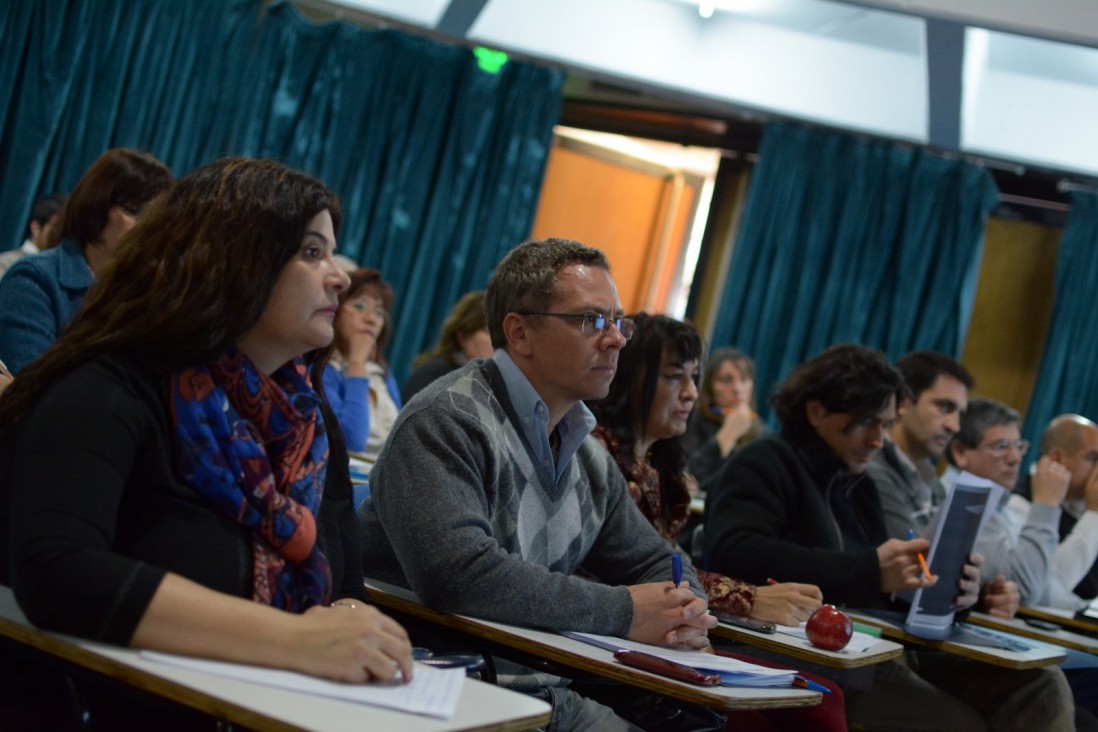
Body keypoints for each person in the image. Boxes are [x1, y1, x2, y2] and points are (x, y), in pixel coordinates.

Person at [0, 158, 413, 724]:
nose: (340, 276)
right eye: (312, 252)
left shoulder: (309, 423)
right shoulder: (110, 387)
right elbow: (58, 572)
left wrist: (355, 633)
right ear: (235, 261)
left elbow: (343, 585)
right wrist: (294, 640)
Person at [361, 238, 717, 730]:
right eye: (592, 321)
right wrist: (624, 610)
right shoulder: (446, 419)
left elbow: (656, 559)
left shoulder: (588, 452)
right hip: (444, 690)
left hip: (545, 690)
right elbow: (459, 574)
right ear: (520, 332)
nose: (615, 339)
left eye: (619, 322)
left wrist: (687, 608)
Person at [704, 343, 1074, 731]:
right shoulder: (764, 462)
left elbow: (884, 588)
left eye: (885, 424)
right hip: (798, 649)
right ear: (817, 412)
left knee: (1042, 686)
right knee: (957, 724)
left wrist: (959, 594)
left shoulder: (857, 484)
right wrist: (872, 571)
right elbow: (736, 552)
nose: (879, 440)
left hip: (872, 644)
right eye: (869, 423)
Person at [589, 312, 846, 732]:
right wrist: (747, 599)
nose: (691, 393)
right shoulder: (597, 454)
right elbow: (634, 576)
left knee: (823, 699)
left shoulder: (655, 467)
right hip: (618, 639)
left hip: (671, 634)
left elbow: (669, 566)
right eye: (675, 377)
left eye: (694, 377)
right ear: (626, 378)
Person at [0, 149, 173, 374]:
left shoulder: (143, 295)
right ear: (98, 205)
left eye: (158, 220)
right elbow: (28, 388)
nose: (151, 230)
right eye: (139, 213)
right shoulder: (35, 278)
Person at [947, 398, 1069, 605]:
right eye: (1001, 446)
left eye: (1019, 446)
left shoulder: (1004, 507)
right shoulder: (957, 502)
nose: (1015, 458)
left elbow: (1047, 586)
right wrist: (1047, 504)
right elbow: (1026, 589)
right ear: (960, 453)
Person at [868, 351, 974, 540]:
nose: (954, 426)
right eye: (944, 407)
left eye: (960, 414)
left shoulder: (930, 477)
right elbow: (914, 558)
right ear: (903, 403)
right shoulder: (870, 466)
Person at [1014, 414, 1098, 601]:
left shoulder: (1079, 505)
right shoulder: (1019, 504)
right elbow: (1054, 585)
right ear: (1057, 458)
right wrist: (1094, 515)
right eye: (1093, 458)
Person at [323, 267, 403, 460]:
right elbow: (351, 442)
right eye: (360, 307)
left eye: (379, 313)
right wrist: (356, 363)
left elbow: (401, 441)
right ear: (336, 310)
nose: (371, 320)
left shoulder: (380, 372)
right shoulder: (323, 368)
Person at [681, 348, 767, 490]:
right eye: (727, 380)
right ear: (710, 387)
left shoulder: (761, 434)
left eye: (745, 379)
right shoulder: (689, 421)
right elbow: (688, 479)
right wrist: (726, 436)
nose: (738, 389)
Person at [401, 290, 493, 402]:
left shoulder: (489, 385)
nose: (497, 341)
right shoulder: (433, 376)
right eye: (488, 332)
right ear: (462, 336)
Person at [0, 193, 66, 279]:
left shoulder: (63, 272)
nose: (62, 237)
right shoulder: (6, 264)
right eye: (57, 228)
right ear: (36, 228)